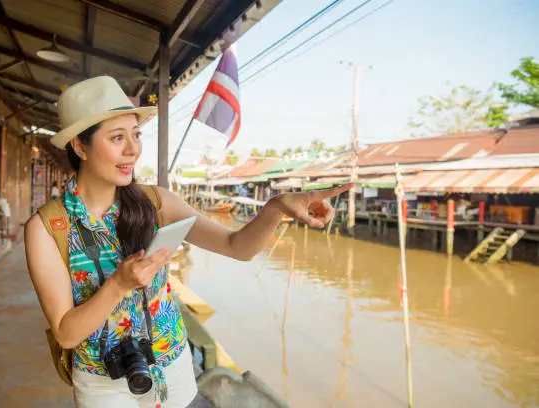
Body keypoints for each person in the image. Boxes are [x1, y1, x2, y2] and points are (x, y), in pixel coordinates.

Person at [24, 76, 351, 408]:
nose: (133, 149)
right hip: (103, 384)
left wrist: (276, 207)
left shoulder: (157, 203)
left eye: (135, 135)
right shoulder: (48, 227)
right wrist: (118, 285)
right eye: (117, 137)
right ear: (80, 146)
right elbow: (66, 333)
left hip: (174, 368)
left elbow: (238, 246)